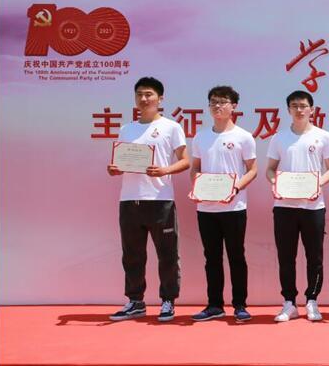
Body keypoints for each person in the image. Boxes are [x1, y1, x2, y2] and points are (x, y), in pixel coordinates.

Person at [107, 77, 190, 322]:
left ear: (160, 98)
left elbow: (185, 160)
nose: (144, 99)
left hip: (160, 200)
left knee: (167, 254)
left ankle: (168, 300)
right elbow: (121, 160)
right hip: (129, 199)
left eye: (149, 94)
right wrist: (115, 169)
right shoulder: (126, 129)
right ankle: (135, 301)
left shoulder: (171, 127)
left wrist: (165, 170)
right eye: (139, 95)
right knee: (132, 254)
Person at [266, 90, 329, 322]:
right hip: (284, 205)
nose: (299, 110)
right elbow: (270, 169)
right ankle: (289, 302)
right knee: (286, 256)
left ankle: (312, 300)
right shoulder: (279, 138)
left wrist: (317, 184)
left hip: (313, 206)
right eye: (294, 106)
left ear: (312, 109)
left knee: (314, 256)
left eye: (303, 106)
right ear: (288, 110)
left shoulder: (323, 136)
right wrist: (276, 182)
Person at [189, 85, 258, 322]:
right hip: (206, 208)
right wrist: (197, 186)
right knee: (212, 258)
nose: (218, 106)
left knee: (236, 256)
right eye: (213, 102)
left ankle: (240, 305)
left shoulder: (243, 137)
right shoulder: (200, 137)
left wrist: (235, 187)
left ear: (233, 106)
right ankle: (214, 305)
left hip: (234, 207)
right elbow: (195, 168)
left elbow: (253, 170)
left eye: (223, 102)